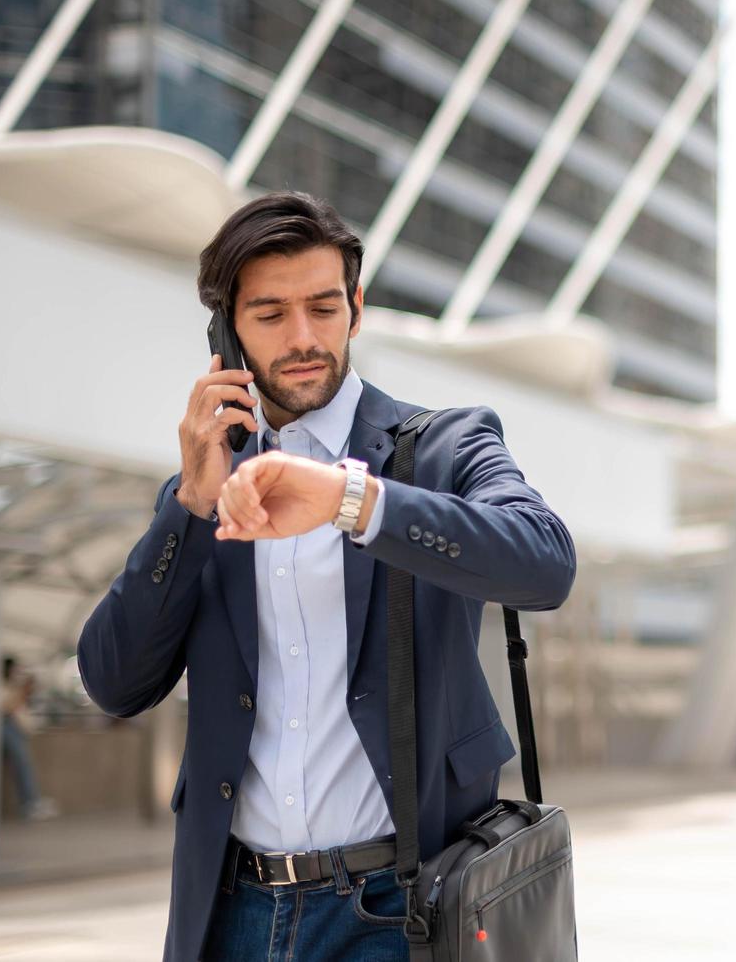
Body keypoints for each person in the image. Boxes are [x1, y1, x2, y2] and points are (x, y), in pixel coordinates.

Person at [77, 191, 577, 962]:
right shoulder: (204, 494)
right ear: (227, 333)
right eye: (271, 314)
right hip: (231, 912)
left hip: (400, 908)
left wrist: (354, 500)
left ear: (356, 307)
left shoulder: (443, 447)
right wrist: (190, 505)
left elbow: (544, 563)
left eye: (322, 306)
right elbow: (114, 681)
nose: (303, 337)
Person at [0, 656, 59, 820]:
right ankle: (31, 803)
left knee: (23, 764)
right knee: (22, 763)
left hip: (13, 727)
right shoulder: (0, 687)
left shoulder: (9, 687)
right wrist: (22, 692)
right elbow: (6, 707)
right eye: (15, 670)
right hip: (5, 725)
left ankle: (32, 801)